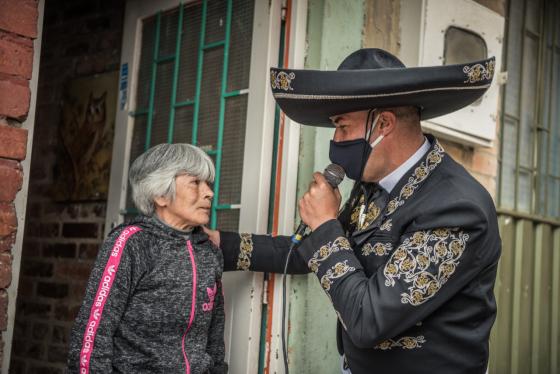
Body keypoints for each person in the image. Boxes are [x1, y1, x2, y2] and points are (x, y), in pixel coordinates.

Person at [207, 48, 501, 374]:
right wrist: (221, 244)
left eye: (343, 127)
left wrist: (325, 223)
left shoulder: (455, 208)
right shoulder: (371, 188)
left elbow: (367, 320)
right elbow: (314, 250)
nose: (336, 139)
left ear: (384, 124)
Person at [67, 143, 227, 374]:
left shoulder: (208, 252)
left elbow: (214, 334)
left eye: (207, 183)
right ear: (161, 194)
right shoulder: (131, 243)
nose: (208, 192)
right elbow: (93, 332)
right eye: (195, 182)